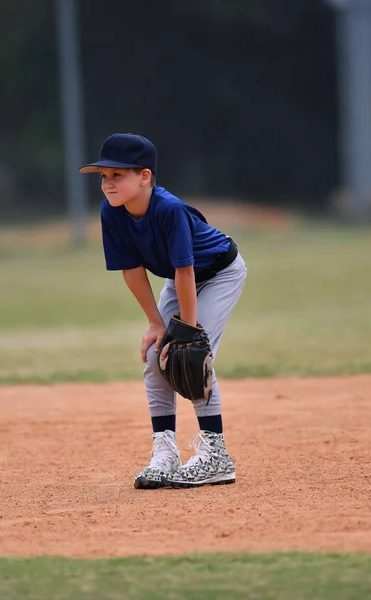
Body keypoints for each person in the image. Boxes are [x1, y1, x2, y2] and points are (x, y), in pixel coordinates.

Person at [79, 133, 247, 489]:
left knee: (191, 356)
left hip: (219, 274)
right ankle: (165, 452)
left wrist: (187, 330)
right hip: (179, 279)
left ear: (144, 176)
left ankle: (217, 456)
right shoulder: (112, 212)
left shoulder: (168, 210)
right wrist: (155, 323)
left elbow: (186, 270)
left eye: (117, 175)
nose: (108, 184)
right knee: (157, 354)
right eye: (103, 177)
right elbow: (131, 269)